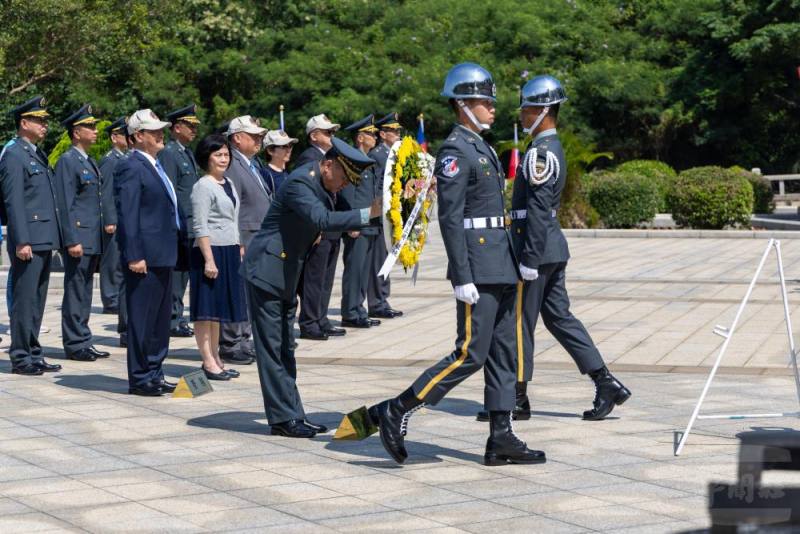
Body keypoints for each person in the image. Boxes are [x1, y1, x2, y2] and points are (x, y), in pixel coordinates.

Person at [360, 63, 545, 466]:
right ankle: (400, 408)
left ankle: (502, 436)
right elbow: (451, 217)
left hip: (501, 262)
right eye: (484, 101)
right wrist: (461, 275)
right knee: (469, 354)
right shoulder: (456, 150)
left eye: (492, 101)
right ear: (463, 104)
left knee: (503, 353)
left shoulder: (482, 145)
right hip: (478, 266)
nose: (493, 108)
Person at [503, 75, 631, 421]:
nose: (522, 115)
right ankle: (605, 381)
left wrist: (528, 258)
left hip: (537, 252)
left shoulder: (541, 153)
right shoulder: (544, 150)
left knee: (519, 323)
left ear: (543, 110)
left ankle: (517, 397)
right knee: (559, 318)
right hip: (550, 250)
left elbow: (539, 212)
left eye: (527, 109)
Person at [243, 137, 382, 438]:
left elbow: (342, 221)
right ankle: (282, 419)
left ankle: (293, 414)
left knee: (285, 348)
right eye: (343, 179)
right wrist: (368, 213)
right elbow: (322, 218)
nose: (343, 186)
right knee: (272, 350)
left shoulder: (324, 183)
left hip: (286, 272)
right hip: (267, 273)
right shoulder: (301, 183)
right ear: (328, 165)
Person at [114, 109, 179, 396]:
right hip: (145, 257)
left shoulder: (156, 165)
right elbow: (128, 215)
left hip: (163, 252)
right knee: (142, 318)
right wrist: (134, 255)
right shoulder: (132, 166)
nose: (160, 134)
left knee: (160, 319)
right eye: (153, 131)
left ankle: (155, 370)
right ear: (138, 136)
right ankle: (140, 377)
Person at [0, 96, 65, 375]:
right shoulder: (14, 154)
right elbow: (14, 201)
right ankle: (20, 355)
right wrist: (22, 240)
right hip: (29, 239)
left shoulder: (35, 152)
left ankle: (34, 352)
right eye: (39, 120)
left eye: (45, 120)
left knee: (37, 300)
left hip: (42, 236)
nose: (44, 125)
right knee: (25, 301)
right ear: (23, 122)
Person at [56, 104, 113, 362]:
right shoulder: (69, 160)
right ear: (76, 132)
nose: (95, 130)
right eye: (89, 127)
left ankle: (83, 338)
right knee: (76, 289)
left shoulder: (88, 160)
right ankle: (75, 342)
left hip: (91, 237)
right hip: (80, 238)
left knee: (86, 290)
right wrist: (71, 239)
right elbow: (65, 204)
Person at [190, 134, 248, 381]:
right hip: (209, 251)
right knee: (206, 311)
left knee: (218, 311)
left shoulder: (229, 183)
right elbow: (200, 225)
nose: (224, 159)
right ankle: (207, 360)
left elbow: (232, 218)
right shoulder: (203, 186)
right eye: (218, 155)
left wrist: (239, 245)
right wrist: (209, 259)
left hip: (229, 249)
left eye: (226, 154)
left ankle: (216, 357)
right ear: (207, 158)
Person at [220, 115, 269, 365]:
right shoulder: (232, 164)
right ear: (237, 138)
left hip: (257, 237)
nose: (260, 139)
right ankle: (230, 343)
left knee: (249, 293)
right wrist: (237, 240)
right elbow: (232, 205)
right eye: (254, 136)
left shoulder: (251, 163)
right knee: (237, 292)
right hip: (244, 237)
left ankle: (243, 339)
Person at [295, 114, 348, 340]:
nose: (331, 136)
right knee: (313, 279)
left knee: (325, 278)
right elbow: (311, 196)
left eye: (333, 132)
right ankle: (310, 322)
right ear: (314, 135)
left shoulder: (327, 157)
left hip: (331, 225)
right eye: (327, 133)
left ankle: (321, 318)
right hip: (319, 228)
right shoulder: (309, 157)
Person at [158, 104, 201, 339]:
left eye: (195, 126)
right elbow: (170, 191)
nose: (194, 130)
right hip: (179, 224)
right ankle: (172, 318)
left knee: (184, 274)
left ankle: (178, 315)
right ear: (176, 128)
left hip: (191, 224)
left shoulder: (186, 152)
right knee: (176, 276)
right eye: (190, 125)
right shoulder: (169, 153)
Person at [340, 114, 381, 328]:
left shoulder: (368, 159)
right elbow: (348, 194)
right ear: (360, 138)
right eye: (370, 134)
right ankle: (350, 312)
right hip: (358, 222)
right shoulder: (352, 159)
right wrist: (352, 222)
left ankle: (359, 309)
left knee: (364, 269)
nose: (375, 137)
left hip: (370, 222)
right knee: (354, 269)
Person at [366, 112, 404, 320]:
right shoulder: (378, 154)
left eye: (398, 130)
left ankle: (382, 299)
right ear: (383, 134)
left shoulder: (392, 152)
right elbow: (375, 186)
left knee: (387, 257)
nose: (397, 133)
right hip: (380, 214)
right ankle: (377, 302)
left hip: (390, 213)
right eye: (393, 130)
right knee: (379, 259)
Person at [98, 116, 129, 347]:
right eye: (123, 134)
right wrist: (109, 218)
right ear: (114, 137)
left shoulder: (125, 158)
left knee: (119, 260)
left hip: (123, 217)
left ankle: (114, 296)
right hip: (114, 218)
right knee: (112, 260)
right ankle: (110, 297)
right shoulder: (110, 160)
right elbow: (106, 191)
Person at [260, 129, 298, 195]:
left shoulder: (286, 174)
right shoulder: (265, 174)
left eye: (290, 146)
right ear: (270, 150)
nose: (289, 150)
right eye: (284, 146)